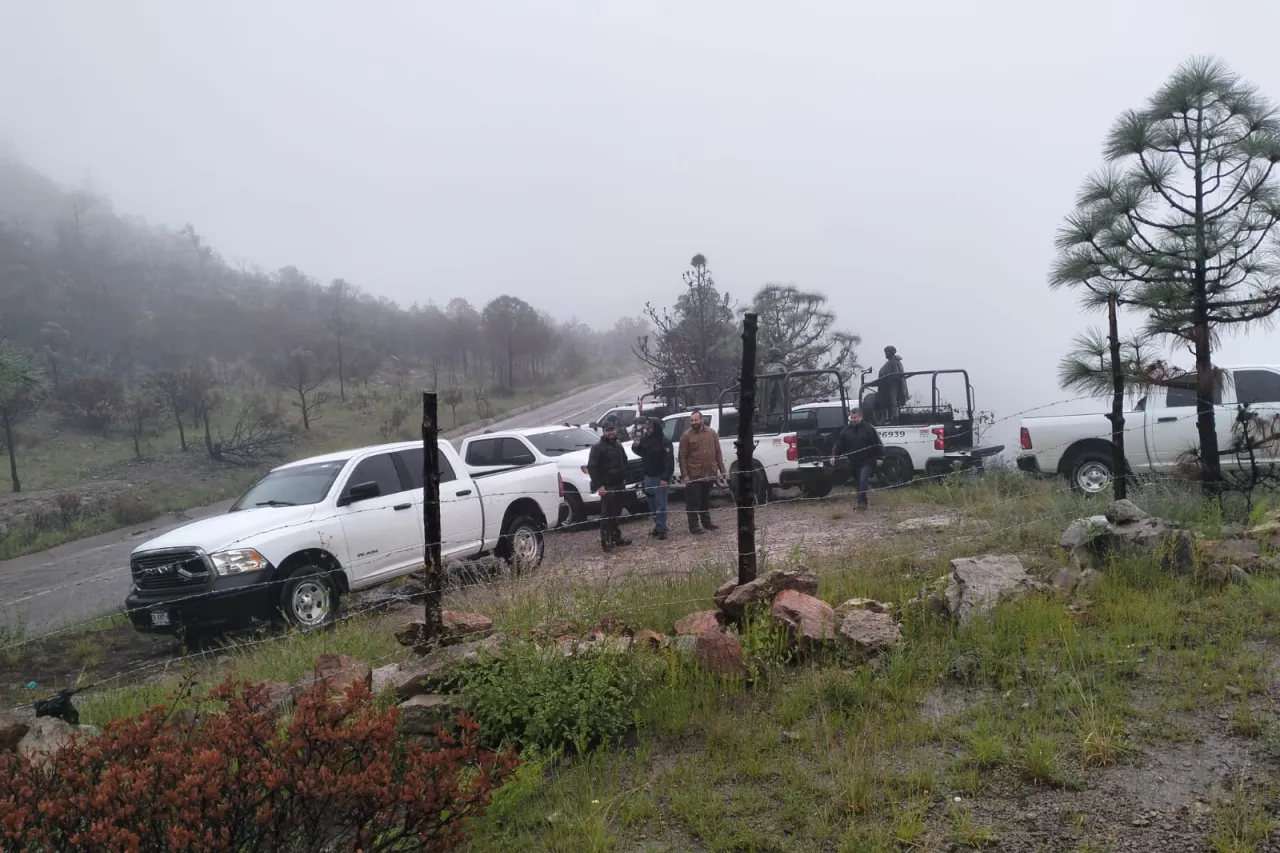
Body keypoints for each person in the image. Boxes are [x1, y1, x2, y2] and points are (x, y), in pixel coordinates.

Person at [587, 417, 631, 552]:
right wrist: (599, 486)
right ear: (603, 432)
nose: (611, 432)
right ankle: (606, 541)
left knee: (617, 513)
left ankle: (616, 537)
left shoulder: (618, 444)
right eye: (608, 430)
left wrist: (625, 478)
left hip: (619, 485)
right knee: (607, 515)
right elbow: (592, 468)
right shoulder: (597, 448)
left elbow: (624, 460)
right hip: (607, 487)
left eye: (612, 429)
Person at [678, 409, 725, 534]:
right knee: (693, 502)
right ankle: (694, 527)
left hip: (709, 473)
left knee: (705, 501)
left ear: (702, 419)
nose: (694, 422)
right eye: (692, 420)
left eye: (696, 420)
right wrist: (685, 475)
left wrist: (723, 470)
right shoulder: (686, 436)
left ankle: (707, 523)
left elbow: (718, 453)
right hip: (694, 475)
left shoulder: (711, 433)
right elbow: (682, 457)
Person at [830, 407, 884, 510]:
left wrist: (880, 457)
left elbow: (877, 443)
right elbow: (839, 445)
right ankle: (862, 500)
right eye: (852, 417)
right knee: (858, 482)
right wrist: (834, 456)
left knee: (863, 479)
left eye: (855, 417)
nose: (853, 419)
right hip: (853, 461)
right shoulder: (846, 430)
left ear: (861, 417)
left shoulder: (869, 429)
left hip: (867, 459)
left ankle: (862, 503)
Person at [632, 416, 674, 539]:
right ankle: (657, 525)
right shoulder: (645, 438)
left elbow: (669, 462)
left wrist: (665, 478)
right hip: (648, 476)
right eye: (646, 427)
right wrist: (636, 445)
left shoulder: (664, 441)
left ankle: (662, 529)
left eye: (650, 427)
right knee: (652, 504)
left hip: (660, 476)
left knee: (661, 504)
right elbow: (641, 452)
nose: (648, 429)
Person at [878, 345, 907, 422]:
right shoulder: (890, 362)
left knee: (893, 401)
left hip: (893, 385)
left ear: (890, 353)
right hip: (888, 385)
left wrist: (886, 377)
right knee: (889, 400)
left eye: (887, 352)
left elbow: (896, 375)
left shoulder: (894, 362)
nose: (886, 354)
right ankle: (889, 417)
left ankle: (894, 417)